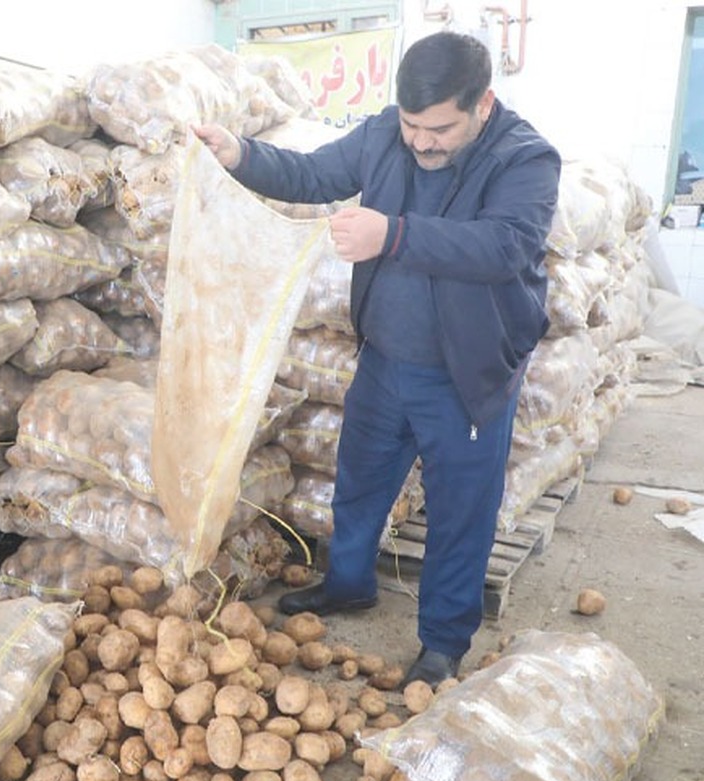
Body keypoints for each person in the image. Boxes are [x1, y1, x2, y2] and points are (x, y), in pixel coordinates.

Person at [194, 30, 560, 686]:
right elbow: (312, 175)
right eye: (412, 123)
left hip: (466, 375)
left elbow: (504, 247)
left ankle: (444, 640)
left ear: (483, 105)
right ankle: (348, 584)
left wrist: (390, 233)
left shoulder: (526, 159)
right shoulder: (386, 135)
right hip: (387, 361)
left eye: (439, 127)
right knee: (358, 484)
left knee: (459, 511)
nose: (421, 140)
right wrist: (239, 153)